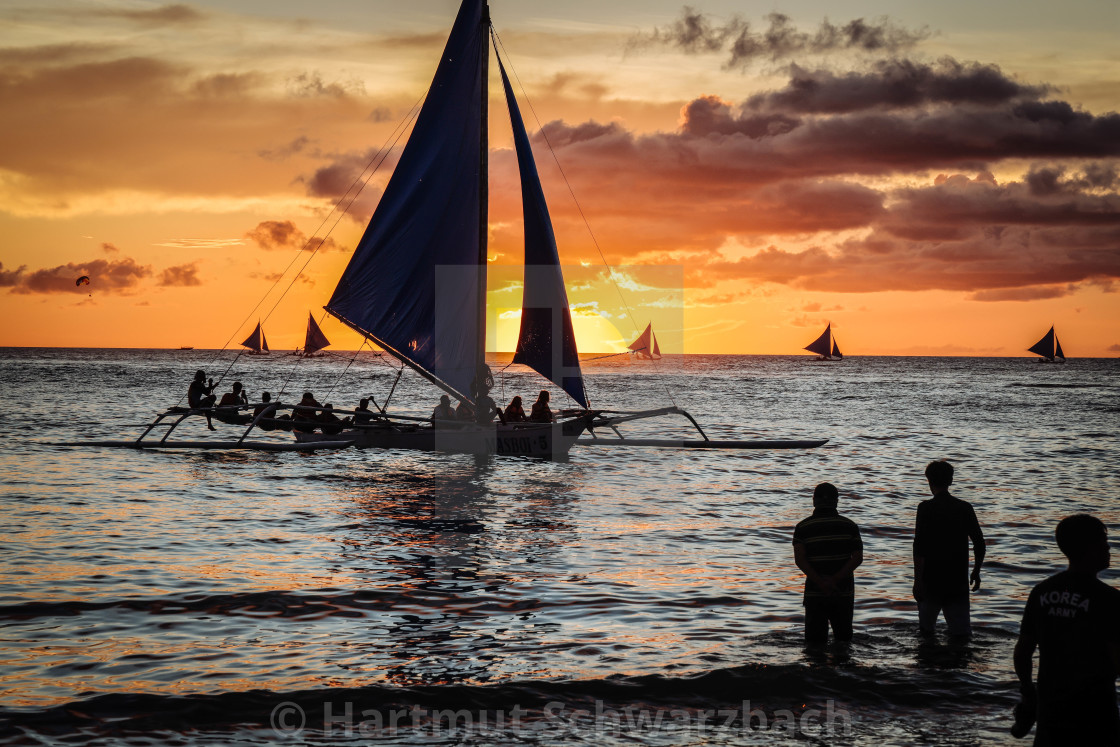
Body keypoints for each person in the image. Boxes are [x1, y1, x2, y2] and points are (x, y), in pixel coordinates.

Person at [1012, 514, 1120, 744]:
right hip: (1096, 710)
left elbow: (1022, 653)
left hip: (1050, 706)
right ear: (1089, 547)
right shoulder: (1109, 599)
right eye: (1103, 541)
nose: (1108, 547)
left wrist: (1029, 693)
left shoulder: (1041, 592)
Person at [912, 460, 986, 637]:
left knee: (926, 633)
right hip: (957, 580)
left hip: (931, 580)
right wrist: (976, 571)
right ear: (951, 481)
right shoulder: (964, 508)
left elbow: (919, 548)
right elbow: (979, 543)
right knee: (961, 634)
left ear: (929, 481)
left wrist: (918, 581)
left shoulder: (925, 508)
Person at [792, 482, 864, 645]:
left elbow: (800, 560)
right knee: (844, 642)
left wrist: (821, 583)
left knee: (814, 647)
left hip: (815, 593)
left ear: (814, 501)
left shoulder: (802, 527)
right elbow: (857, 558)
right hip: (842, 592)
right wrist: (835, 580)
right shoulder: (849, 526)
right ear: (836, 501)